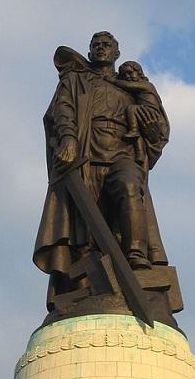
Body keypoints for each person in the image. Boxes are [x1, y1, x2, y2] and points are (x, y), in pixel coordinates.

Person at [33, 31, 170, 311]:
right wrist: (69, 139)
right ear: (90, 51)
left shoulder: (132, 87)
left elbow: (157, 129)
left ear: (117, 52)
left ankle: (135, 257)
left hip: (122, 152)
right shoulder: (76, 80)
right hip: (86, 153)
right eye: (96, 45)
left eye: (107, 45)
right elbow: (63, 110)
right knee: (84, 225)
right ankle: (87, 284)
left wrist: (154, 131)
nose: (101, 48)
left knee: (131, 188)